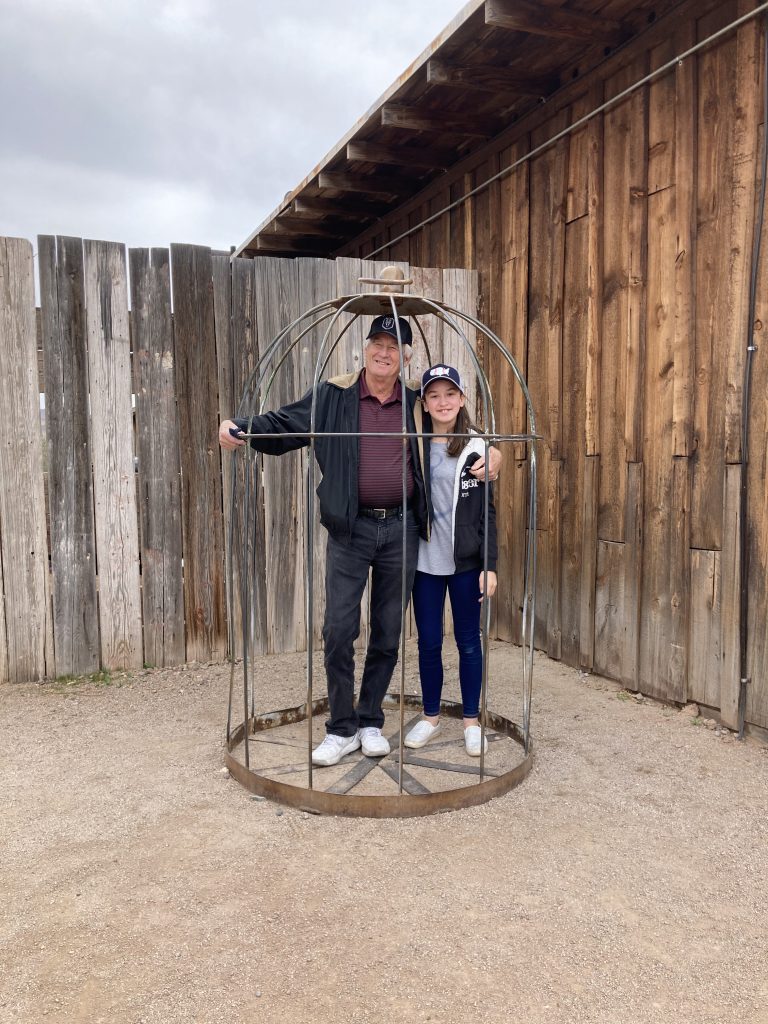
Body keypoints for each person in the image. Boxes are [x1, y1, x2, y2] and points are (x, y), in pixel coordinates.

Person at [219, 316, 501, 767]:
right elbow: (287, 423)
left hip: (402, 531)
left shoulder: (415, 401)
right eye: (378, 343)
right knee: (338, 630)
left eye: (395, 347)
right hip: (351, 529)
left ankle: (370, 720)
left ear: (406, 357)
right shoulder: (335, 395)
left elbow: (456, 431)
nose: (384, 353)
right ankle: (341, 728)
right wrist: (243, 427)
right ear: (365, 348)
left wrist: (493, 453)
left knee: (388, 630)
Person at [404, 364, 498, 757]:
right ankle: (430, 717)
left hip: (465, 564)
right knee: (428, 642)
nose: (443, 402)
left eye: (450, 394)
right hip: (425, 563)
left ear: (461, 399)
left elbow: (488, 512)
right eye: (434, 395)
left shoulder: (478, 448)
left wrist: (490, 566)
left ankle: (471, 722)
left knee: (468, 642)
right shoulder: (414, 444)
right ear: (424, 404)